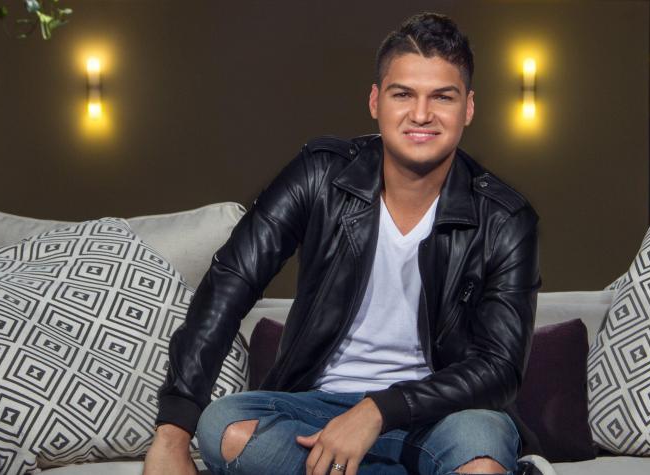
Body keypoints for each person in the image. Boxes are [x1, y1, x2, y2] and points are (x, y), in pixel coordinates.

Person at [144, 12, 545, 475]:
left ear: (468, 108)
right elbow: (230, 282)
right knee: (223, 427)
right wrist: (172, 433)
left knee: (480, 453)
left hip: (441, 416)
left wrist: (377, 410)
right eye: (403, 94)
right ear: (375, 101)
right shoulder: (320, 174)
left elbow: (499, 368)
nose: (421, 114)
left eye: (442, 96)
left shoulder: (505, 218)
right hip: (318, 407)